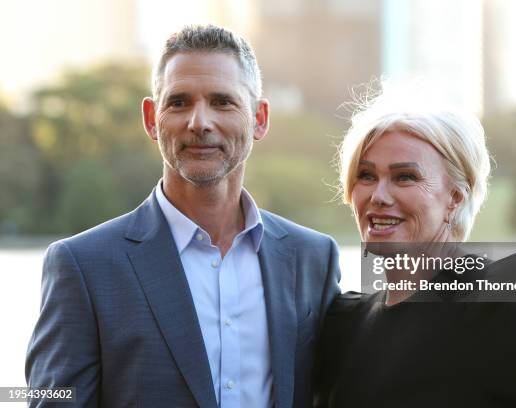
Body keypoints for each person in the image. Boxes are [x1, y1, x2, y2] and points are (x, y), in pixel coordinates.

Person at [26, 24, 341, 408]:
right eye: (179, 102)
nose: (199, 122)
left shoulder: (313, 258)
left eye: (223, 101)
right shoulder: (83, 267)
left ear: (259, 118)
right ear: (150, 118)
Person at [314, 85, 516, 407]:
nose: (379, 196)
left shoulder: (499, 306)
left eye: (405, 177)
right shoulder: (344, 322)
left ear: (456, 197)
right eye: (366, 175)